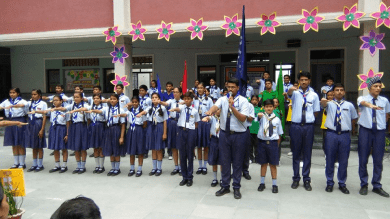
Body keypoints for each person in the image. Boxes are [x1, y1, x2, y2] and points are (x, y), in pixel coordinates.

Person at [206, 77, 250, 199]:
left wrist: (232, 107)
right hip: (225, 134)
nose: (230, 89)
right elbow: (215, 107)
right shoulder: (222, 99)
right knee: (224, 161)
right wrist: (210, 111)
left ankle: (236, 187)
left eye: (233, 87)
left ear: (237, 88)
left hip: (239, 135)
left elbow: (242, 118)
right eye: (228, 87)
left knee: (237, 162)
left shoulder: (243, 101)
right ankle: (225, 186)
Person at [320, 83, 357, 194]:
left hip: (345, 135)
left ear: (344, 92)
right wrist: (324, 100)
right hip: (331, 134)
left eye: (341, 90)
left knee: (343, 160)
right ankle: (330, 182)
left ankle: (342, 183)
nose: (339, 92)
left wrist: (353, 130)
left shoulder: (349, 105)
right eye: (337, 90)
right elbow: (323, 104)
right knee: (330, 159)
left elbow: (353, 118)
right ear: (333, 92)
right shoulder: (329, 104)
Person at [357, 76, 390, 197]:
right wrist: (371, 106)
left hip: (379, 132)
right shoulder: (363, 98)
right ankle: (364, 184)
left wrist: (382, 126)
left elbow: (387, 115)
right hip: (366, 131)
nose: (378, 88)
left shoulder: (384, 101)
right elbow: (362, 103)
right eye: (375, 86)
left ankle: (376, 185)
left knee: (378, 160)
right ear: (369, 87)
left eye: (379, 86)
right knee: (363, 159)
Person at [287, 71, 320, 191]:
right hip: (295, 126)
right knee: (296, 153)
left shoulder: (314, 95)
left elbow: (316, 112)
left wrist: (308, 120)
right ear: (299, 81)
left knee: (307, 153)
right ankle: (296, 178)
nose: (304, 82)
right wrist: (291, 89)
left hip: (308, 127)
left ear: (309, 81)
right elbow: (288, 93)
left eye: (306, 79)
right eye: (302, 80)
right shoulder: (295, 93)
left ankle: (306, 179)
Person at [32, 95, 69, 173]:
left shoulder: (65, 110)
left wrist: (67, 134)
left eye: (57, 100)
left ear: (61, 101)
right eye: (54, 100)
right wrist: (35, 111)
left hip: (62, 128)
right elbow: (44, 112)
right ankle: (57, 165)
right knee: (55, 148)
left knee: (63, 148)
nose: (55, 102)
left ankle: (64, 165)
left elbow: (68, 123)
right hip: (53, 128)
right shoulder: (51, 109)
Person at [169, 92, 200, 186]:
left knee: (190, 155)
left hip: (190, 132)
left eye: (188, 99)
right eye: (185, 99)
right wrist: (174, 109)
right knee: (182, 155)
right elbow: (178, 109)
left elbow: (196, 123)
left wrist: (192, 131)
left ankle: (190, 177)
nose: (186, 100)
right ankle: (184, 177)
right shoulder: (182, 108)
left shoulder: (194, 111)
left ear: (191, 100)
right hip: (181, 131)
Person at [257, 99, 284, 193]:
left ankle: (274, 184)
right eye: (267, 106)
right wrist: (259, 116)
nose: (268, 108)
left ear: (274, 107)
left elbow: (279, 134)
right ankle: (262, 183)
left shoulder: (277, 119)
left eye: (270, 106)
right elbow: (257, 119)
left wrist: (276, 145)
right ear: (264, 108)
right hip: (262, 143)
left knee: (273, 164)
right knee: (263, 163)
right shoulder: (261, 117)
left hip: (272, 144)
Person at [138, 93, 168, 176]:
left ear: (159, 99)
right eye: (153, 98)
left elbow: (165, 121)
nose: (154, 99)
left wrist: (164, 133)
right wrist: (140, 114)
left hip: (159, 127)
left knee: (158, 148)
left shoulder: (163, 108)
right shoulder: (150, 108)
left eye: (156, 97)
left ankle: (159, 168)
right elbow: (144, 111)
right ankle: (154, 168)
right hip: (151, 127)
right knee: (153, 149)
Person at [0, 88, 28, 169]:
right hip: (10, 121)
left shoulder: (22, 101)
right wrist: (3, 108)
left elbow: (26, 107)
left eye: (14, 92)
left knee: (20, 142)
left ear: (18, 93)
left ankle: (22, 163)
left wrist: (20, 106)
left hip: (20, 120)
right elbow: (1, 106)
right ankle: (16, 163)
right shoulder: (7, 101)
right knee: (13, 143)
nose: (12, 94)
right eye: (10, 92)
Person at [159, 87, 183, 175]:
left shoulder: (183, 102)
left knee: (180, 146)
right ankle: (176, 166)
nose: (175, 94)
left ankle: (181, 167)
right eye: (174, 92)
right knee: (173, 146)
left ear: (180, 93)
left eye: (177, 92)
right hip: (172, 123)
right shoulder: (171, 101)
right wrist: (160, 102)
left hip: (180, 123)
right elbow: (165, 103)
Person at [66, 92, 90, 174]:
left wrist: (76, 110)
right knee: (76, 147)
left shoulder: (85, 105)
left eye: (77, 97)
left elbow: (86, 109)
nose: (75, 99)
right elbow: (64, 108)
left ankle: (83, 166)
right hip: (74, 126)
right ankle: (78, 166)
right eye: (74, 97)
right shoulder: (72, 105)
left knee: (83, 147)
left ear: (81, 98)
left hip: (82, 126)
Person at [25, 89, 48, 172]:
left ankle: (40, 164)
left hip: (38, 122)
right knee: (33, 145)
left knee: (39, 145)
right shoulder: (30, 103)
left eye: (35, 94)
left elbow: (44, 116)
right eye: (32, 94)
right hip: (31, 123)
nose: (33, 96)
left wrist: (42, 129)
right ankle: (34, 164)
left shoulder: (43, 103)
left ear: (39, 95)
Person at [124, 96, 147, 177]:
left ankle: (139, 169)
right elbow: (124, 114)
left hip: (139, 130)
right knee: (131, 151)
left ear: (138, 102)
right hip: (131, 130)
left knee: (140, 151)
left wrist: (140, 129)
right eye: (133, 102)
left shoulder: (142, 111)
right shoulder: (129, 111)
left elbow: (145, 123)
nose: (134, 103)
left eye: (136, 102)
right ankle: (132, 168)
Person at [194, 82, 213, 175]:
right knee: (198, 146)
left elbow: (211, 113)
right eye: (198, 88)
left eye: (201, 88)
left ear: (204, 89)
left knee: (205, 146)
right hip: (197, 123)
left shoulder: (209, 100)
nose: (200, 89)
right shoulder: (195, 100)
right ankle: (200, 166)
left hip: (205, 123)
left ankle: (205, 166)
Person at [104, 94, 126, 176]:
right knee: (110, 150)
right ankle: (112, 168)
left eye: (114, 99)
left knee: (116, 149)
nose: (112, 100)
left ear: (117, 100)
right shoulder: (106, 109)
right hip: (109, 129)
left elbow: (123, 124)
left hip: (117, 129)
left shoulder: (121, 110)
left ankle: (117, 168)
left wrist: (121, 137)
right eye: (111, 99)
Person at [86, 94, 107, 174]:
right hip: (93, 126)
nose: (95, 100)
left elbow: (104, 118)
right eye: (94, 98)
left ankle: (102, 166)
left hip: (100, 126)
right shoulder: (90, 107)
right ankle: (97, 166)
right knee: (95, 147)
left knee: (100, 147)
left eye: (97, 98)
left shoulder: (104, 108)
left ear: (100, 99)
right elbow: (88, 118)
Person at [202, 108, 222, 187]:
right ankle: (214, 179)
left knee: (222, 160)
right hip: (214, 139)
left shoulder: (224, 119)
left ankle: (222, 178)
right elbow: (208, 118)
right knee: (214, 159)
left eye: (219, 110)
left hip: (222, 140)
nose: (217, 111)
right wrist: (206, 118)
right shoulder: (213, 118)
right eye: (216, 110)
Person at [249, 95, 261, 164]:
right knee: (250, 145)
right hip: (250, 128)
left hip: (257, 129)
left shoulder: (260, 109)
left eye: (255, 100)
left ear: (258, 101)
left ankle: (257, 158)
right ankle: (251, 158)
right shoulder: (248, 108)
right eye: (253, 100)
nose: (254, 101)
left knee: (257, 145)